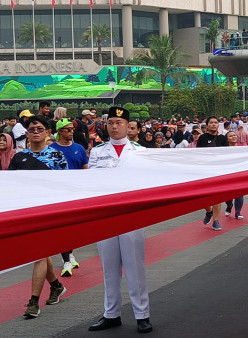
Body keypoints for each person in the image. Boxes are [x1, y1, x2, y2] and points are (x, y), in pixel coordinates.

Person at [88, 107, 152, 333]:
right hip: (105, 216)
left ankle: (142, 314)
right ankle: (111, 313)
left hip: (131, 215)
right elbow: (94, 183)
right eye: (111, 123)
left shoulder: (139, 151)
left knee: (135, 267)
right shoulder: (97, 152)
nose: (115, 127)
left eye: (119, 122)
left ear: (128, 125)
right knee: (109, 268)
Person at [9, 116, 68, 319]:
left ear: (48, 132)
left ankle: (33, 302)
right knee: (41, 253)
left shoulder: (57, 156)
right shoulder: (18, 158)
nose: (35, 131)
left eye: (40, 128)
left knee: (39, 254)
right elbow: (11, 187)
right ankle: (56, 286)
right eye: (32, 129)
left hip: (49, 212)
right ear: (26, 134)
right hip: (26, 212)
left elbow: (67, 186)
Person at [50, 118, 88, 277]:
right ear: (59, 132)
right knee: (62, 228)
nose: (72, 132)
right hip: (58, 195)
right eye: (68, 129)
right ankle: (66, 260)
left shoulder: (79, 148)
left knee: (75, 228)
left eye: (73, 129)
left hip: (76, 195)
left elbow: (86, 171)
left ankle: (70, 253)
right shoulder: (50, 149)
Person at [197, 116, 229, 230]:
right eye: (211, 123)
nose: (214, 124)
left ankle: (216, 221)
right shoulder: (202, 138)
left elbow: (228, 154)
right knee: (203, 197)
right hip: (205, 171)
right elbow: (197, 155)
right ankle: (209, 211)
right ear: (207, 125)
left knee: (217, 196)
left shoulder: (222, 139)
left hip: (219, 171)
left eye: (216, 123)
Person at [224, 131, 245, 219]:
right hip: (227, 174)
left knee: (239, 193)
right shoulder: (224, 150)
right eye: (230, 136)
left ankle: (238, 212)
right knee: (227, 195)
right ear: (227, 139)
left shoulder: (242, 149)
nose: (233, 137)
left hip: (239, 173)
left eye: (234, 135)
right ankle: (229, 206)